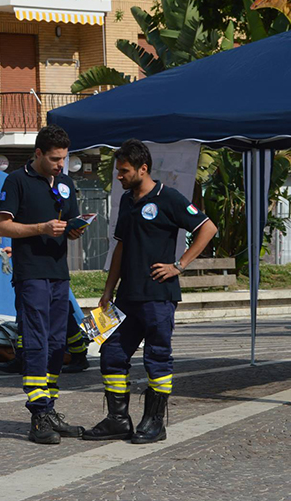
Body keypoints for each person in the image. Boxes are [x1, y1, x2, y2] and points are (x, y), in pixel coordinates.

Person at [82, 139, 217, 444]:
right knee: (112, 354)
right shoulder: (128, 202)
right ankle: (118, 419)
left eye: (124, 170)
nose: (119, 175)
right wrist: (107, 291)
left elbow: (207, 228)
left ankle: (154, 421)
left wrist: (179, 265)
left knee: (157, 359)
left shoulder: (169, 198)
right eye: (118, 170)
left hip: (158, 296)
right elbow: (120, 247)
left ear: (143, 168)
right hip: (127, 298)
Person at [0, 125, 86, 444]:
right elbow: (2, 226)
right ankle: (38, 415)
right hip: (31, 272)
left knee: (58, 342)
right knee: (36, 340)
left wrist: (75, 229)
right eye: (54, 159)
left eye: (63, 158)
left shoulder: (65, 182)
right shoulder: (16, 180)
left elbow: (69, 223)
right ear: (38, 154)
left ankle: (50, 408)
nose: (60, 164)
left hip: (58, 272)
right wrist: (41, 228)